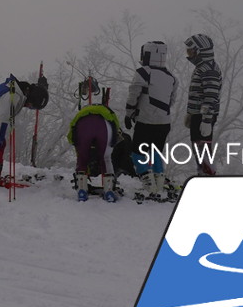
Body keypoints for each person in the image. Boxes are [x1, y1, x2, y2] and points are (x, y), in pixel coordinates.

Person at [125, 40, 178, 199]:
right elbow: (172, 100)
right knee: (156, 152)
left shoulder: (142, 72)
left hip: (146, 120)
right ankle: (159, 184)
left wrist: (129, 113)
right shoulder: (172, 77)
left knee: (137, 153)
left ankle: (149, 185)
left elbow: (133, 94)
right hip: (164, 122)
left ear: (147, 54)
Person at [67, 99, 122, 201]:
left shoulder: (80, 115)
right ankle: (109, 191)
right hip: (105, 125)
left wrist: (78, 146)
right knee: (106, 158)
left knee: (82, 158)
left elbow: (71, 134)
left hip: (82, 126)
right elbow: (116, 127)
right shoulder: (108, 112)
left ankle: (82, 191)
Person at [184, 32, 222, 177]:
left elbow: (210, 96)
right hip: (197, 114)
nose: (188, 54)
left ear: (200, 51)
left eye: (190, 50)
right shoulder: (202, 67)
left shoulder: (209, 69)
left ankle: (208, 175)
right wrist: (190, 113)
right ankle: (202, 174)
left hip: (204, 116)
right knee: (197, 147)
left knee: (203, 148)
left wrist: (206, 120)